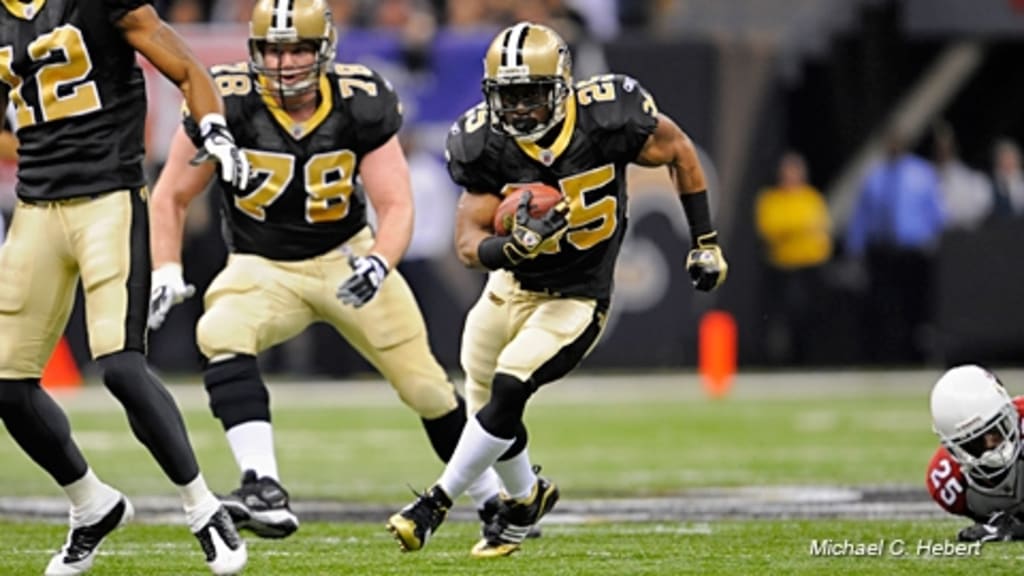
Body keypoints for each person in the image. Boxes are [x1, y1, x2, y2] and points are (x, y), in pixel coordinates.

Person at [148, 0, 501, 540]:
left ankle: (493, 500)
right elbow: (170, 194)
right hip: (261, 266)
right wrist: (166, 267)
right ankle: (262, 484)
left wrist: (380, 261)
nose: (285, 62)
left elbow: (397, 203)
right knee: (219, 330)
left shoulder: (360, 100)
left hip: (346, 259)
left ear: (323, 51)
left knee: (427, 388)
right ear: (254, 51)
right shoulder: (226, 99)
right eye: (272, 49)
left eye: (297, 49)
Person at [387, 21, 728, 557]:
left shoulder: (608, 116)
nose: (518, 109)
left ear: (562, 86)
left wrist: (704, 240)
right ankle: (525, 499)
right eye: (508, 95)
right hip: (509, 286)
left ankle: (434, 504)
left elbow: (680, 151)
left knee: (507, 391)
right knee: (488, 407)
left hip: (576, 295)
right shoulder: (484, 142)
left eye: (530, 94)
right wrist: (512, 249)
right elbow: (467, 242)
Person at [0, 3, 250, 576]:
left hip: (109, 197)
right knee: (7, 387)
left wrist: (212, 125)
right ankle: (91, 504)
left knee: (120, 366)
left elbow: (188, 68)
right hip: (35, 207)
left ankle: (203, 509)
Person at [844, 129, 945, 364]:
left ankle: (916, 356)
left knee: (916, 306)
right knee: (885, 307)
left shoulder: (922, 173)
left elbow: (936, 212)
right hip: (882, 252)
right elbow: (862, 216)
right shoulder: (874, 175)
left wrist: (937, 243)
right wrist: (855, 249)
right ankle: (888, 356)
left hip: (915, 252)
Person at [928, 364, 1024, 543]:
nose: (991, 445)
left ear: (1010, 414)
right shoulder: (947, 480)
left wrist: (1016, 529)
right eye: (975, 443)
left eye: (996, 431)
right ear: (954, 448)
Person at [754, 151, 831, 364]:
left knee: (809, 316)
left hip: (810, 268)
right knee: (783, 318)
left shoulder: (811, 198)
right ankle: (783, 360)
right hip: (783, 268)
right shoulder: (771, 199)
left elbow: (821, 232)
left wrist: (793, 230)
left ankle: (811, 359)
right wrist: (800, 228)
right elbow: (770, 229)